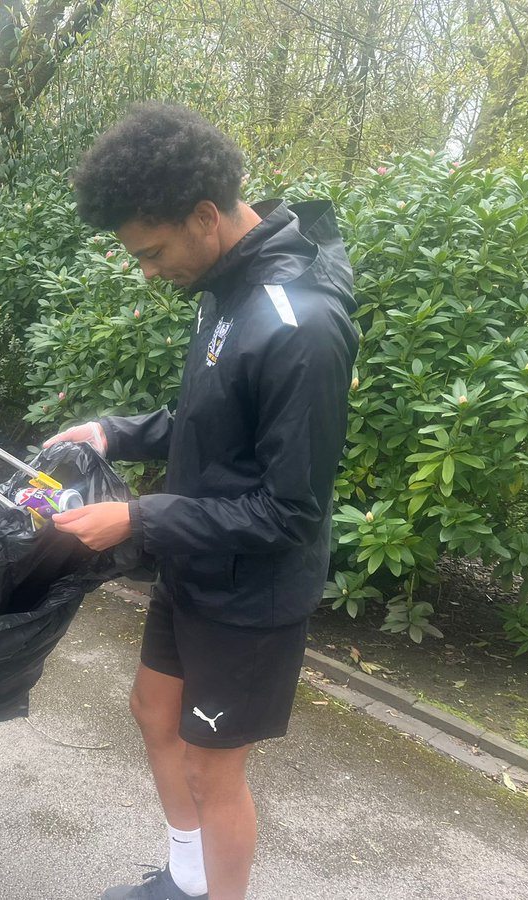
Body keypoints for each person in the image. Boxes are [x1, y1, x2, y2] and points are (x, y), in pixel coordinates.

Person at [44, 105, 358, 900]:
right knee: (154, 711)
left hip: (252, 591)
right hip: (197, 559)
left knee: (211, 768)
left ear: (205, 216)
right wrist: (117, 432)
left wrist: (139, 518)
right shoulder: (227, 285)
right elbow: (215, 424)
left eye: (151, 252)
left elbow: (291, 512)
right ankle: (186, 882)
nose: (147, 271)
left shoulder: (303, 325)